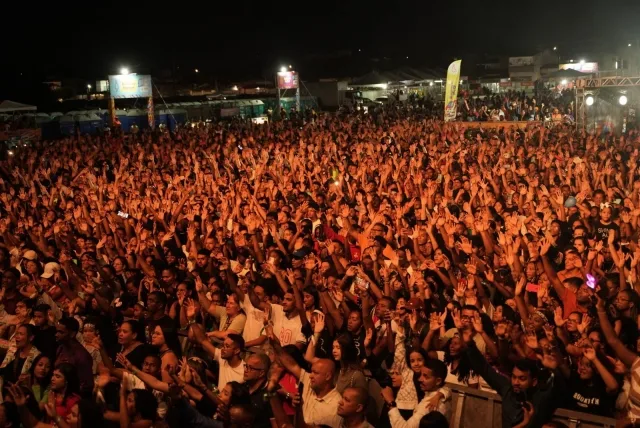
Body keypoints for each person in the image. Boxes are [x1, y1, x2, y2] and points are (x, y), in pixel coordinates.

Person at [383, 359, 451, 427]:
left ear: (438, 381)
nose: (420, 379)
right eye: (421, 374)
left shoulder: (429, 405)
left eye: (425, 376)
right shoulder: (440, 393)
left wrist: (390, 401)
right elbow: (447, 389)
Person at [54, 318, 94, 396]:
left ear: (72, 334)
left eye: (61, 332)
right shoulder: (61, 348)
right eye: (57, 331)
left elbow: (86, 386)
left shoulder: (81, 356)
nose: (56, 335)